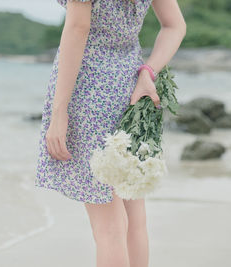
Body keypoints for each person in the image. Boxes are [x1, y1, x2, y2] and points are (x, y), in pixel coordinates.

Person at [35, 0, 186, 266]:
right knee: (134, 221)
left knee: (110, 229)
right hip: (130, 88)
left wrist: (59, 112)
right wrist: (147, 73)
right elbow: (175, 26)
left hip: (89, 92)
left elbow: (78, 28)